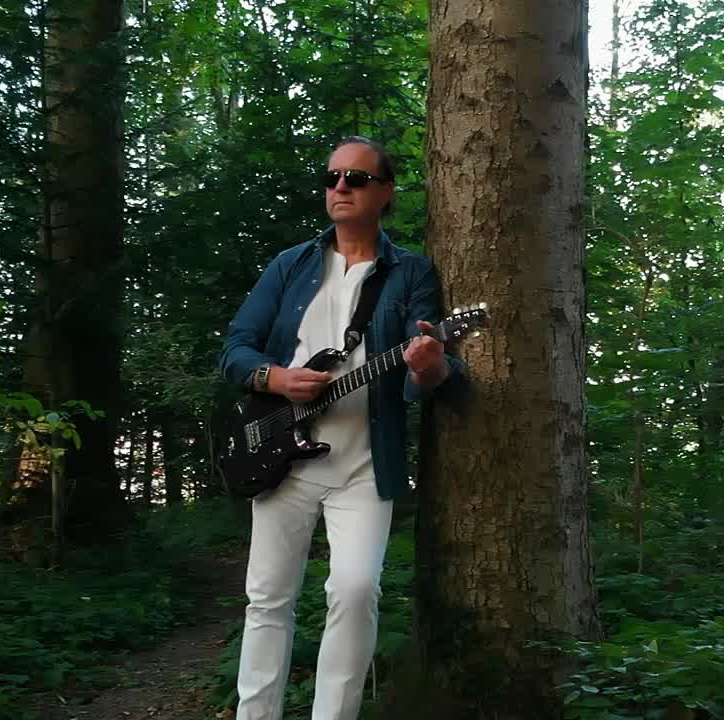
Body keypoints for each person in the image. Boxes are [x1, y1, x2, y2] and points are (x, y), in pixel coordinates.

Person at [219, 136, 466, 720]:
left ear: (384, 193)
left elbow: (425, 366)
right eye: (331, 179)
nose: (339, 189)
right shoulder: (292, 264)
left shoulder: (410, 272)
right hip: (283, 457)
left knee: (355, 594)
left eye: (355, 179)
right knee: (267, 600)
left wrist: (431, 367)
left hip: (363, 464)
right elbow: (235, 349)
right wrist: (275, 379)